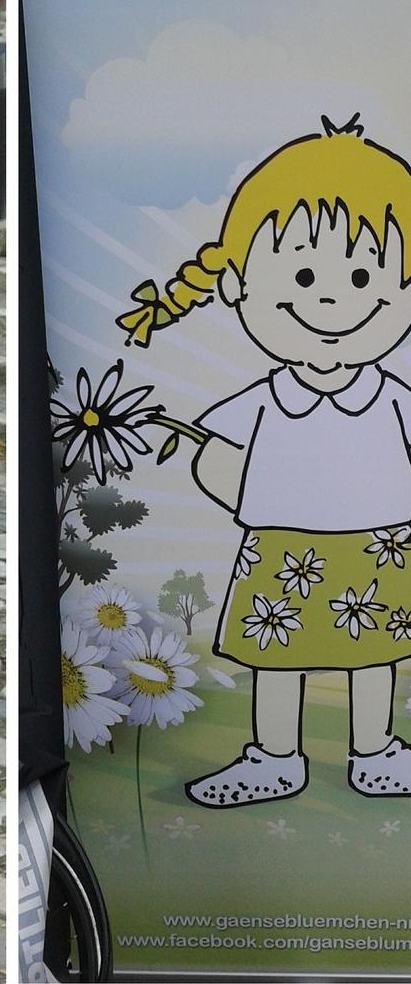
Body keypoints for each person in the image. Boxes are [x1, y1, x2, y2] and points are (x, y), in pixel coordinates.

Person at [114, 123, 411, 806]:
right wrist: (257, 498)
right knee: (277, 657)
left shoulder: (390, 396)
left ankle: (375, 751)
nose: (332, 300)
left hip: (378, 541)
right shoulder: (262, 398)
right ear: (238, 286)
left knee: (373, 656)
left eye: (364, 275)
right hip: (282, 543)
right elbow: (215, 461)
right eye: (303, 275)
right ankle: (274, 756)